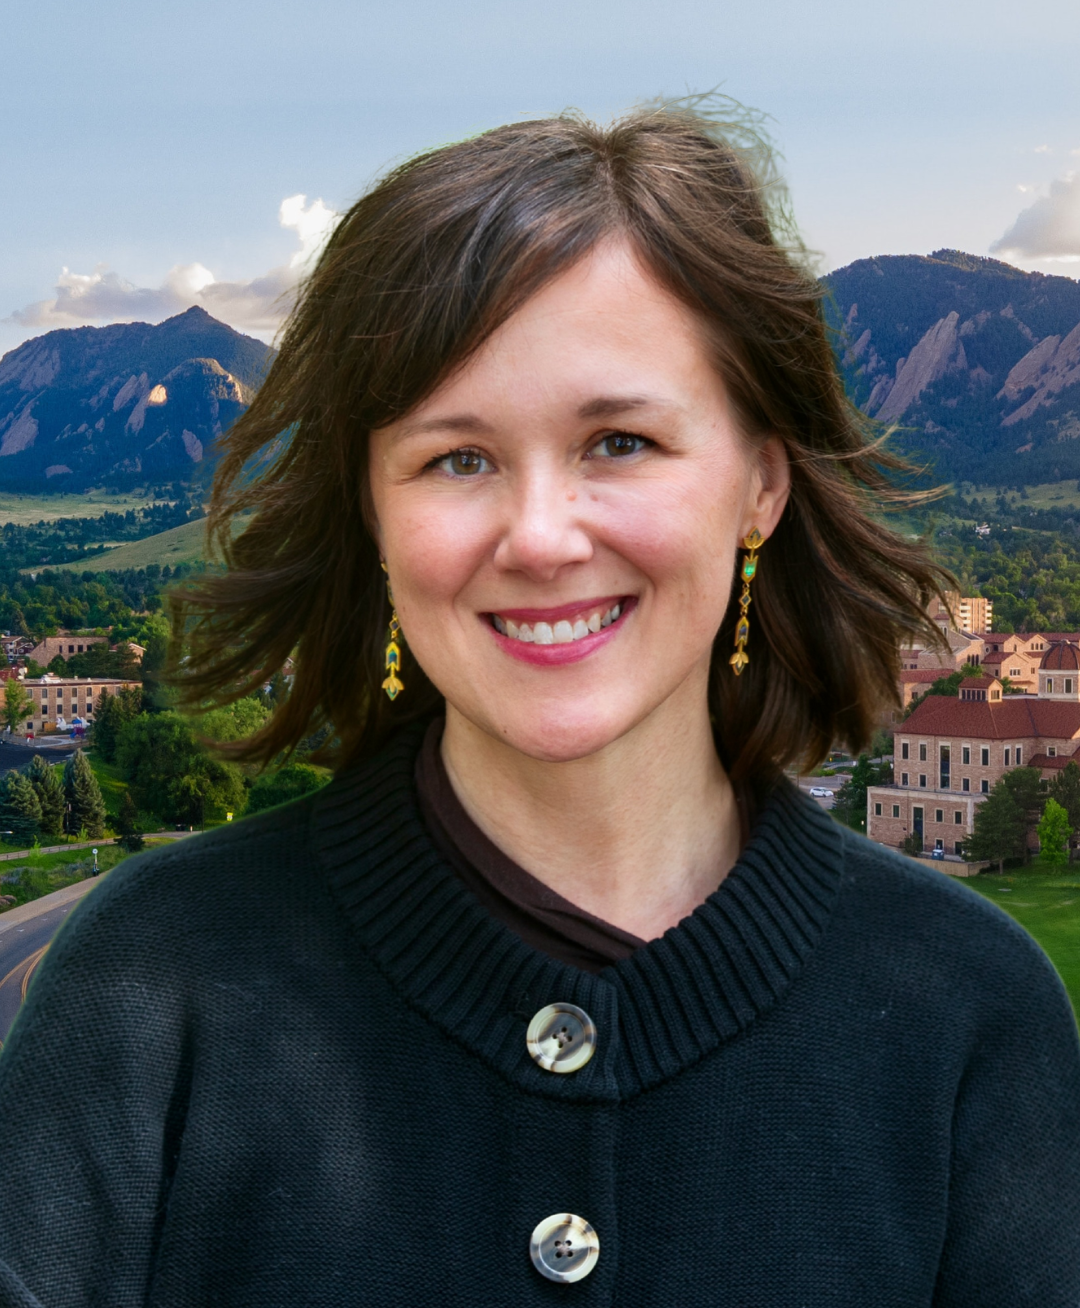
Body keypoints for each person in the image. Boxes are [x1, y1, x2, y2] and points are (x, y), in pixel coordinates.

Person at [0, 104, 1077, 1306]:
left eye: (618, 441)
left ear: (760, 484)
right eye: (456, 458)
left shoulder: (967, 1014)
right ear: (371, 512)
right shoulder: (155, 983)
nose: (541, 537)